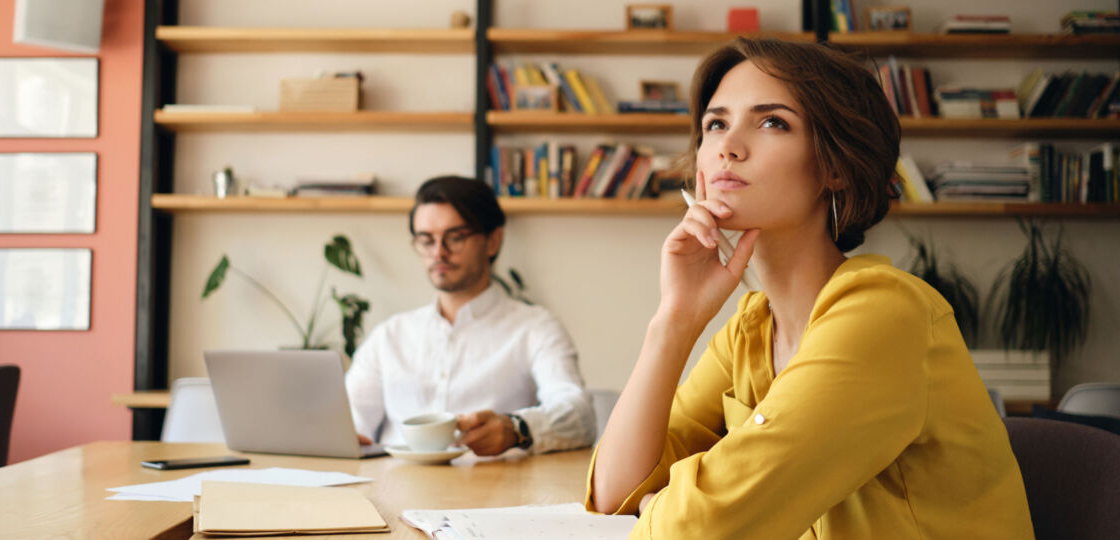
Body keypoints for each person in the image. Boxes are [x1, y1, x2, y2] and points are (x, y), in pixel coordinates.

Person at [587, 38, 1034, 539]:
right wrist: (675, 319)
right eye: (716, 123)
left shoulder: (885, 313)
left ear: (835, 167)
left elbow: (706, 527)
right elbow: (614, 492)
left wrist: (663, 503)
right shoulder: (749, 330)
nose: (728, 146)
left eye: (772, 122)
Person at [345, 176, 595, 456]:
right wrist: (345, 439)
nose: (439, 252)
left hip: (498, 492)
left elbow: (580, 415)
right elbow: (349, 423)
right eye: (426, 240)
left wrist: (517, 429)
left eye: (455, 237)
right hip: (389, 490)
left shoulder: (534, 327)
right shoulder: (389, 336)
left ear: (492, 241)